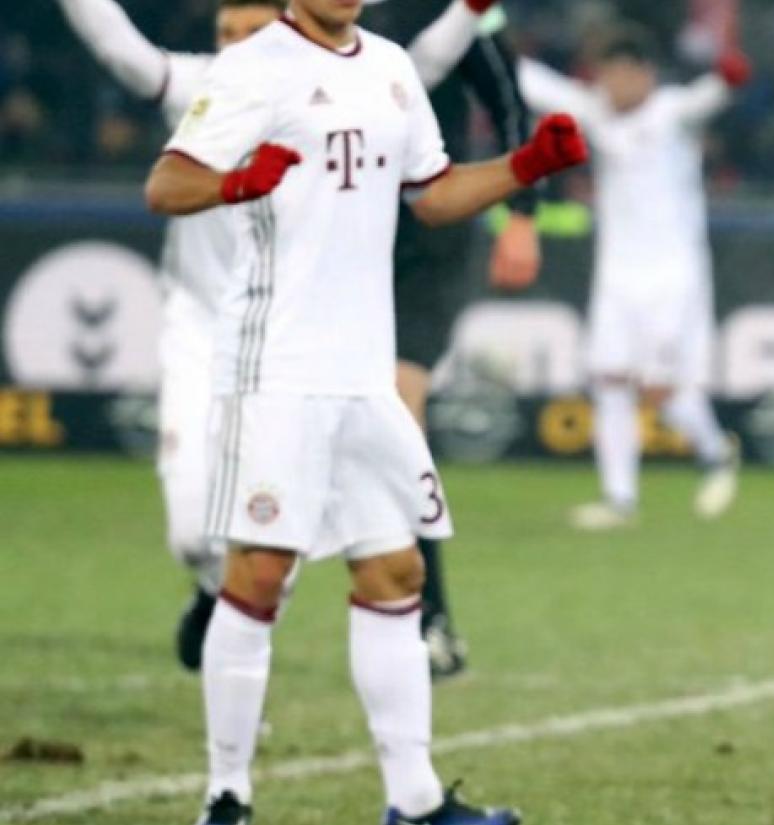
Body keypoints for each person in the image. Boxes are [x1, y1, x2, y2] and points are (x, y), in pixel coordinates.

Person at [142, 0, 586, 820]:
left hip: (363, 374)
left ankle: (413, 803)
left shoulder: (389, 67)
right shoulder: (251, 67)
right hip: (275, 367)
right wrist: (235, 182)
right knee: (260, 575)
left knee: (396, 572)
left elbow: (435, 193)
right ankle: (227, 796)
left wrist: (523, 168)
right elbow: (167, 183)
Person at [54, 0, 485, 674]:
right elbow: (117, 48)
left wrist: (469, 15)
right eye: (225, 33)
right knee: (197, 532)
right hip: (206, 330)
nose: (236, 44)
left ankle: (405, 716)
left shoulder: (344, 79)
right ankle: (213, 602)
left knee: (341, 537)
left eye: (249, 32)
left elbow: (421, 70)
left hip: (299, 335)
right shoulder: (208, 84)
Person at [362, 0, 549, 680]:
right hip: (331, 233)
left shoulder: (450, 9)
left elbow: (506, 98)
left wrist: (522, 213)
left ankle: (430, 616)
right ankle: (230, 599)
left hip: (424, 236)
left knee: (396, 406)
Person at [515, 28, 749, 530]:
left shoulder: (672, 111)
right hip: (616, 272)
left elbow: (717, 90)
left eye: (626, 75)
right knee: (609, 381)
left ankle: (714, 452)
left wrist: (728, 68)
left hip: (672, 271)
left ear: (645, 75)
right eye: (608, 75)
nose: (616, 86)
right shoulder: (593, 109)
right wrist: (480, 32)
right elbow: (534, 84)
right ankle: (619, 499)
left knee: (657, 390)